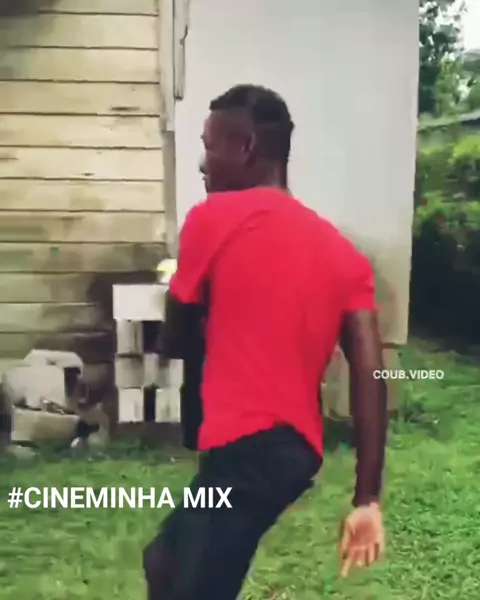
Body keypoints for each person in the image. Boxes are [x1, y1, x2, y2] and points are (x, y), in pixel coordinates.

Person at [143, 84, 387, 599]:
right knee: (163, 559)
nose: (203, 163)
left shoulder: (212, 218)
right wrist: (367, 498)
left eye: (210, 147)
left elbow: (174, 339)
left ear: (246, 148)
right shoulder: (343, 254)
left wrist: (194, 307)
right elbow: (371, 374)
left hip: (248, 452)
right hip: (288, 453)